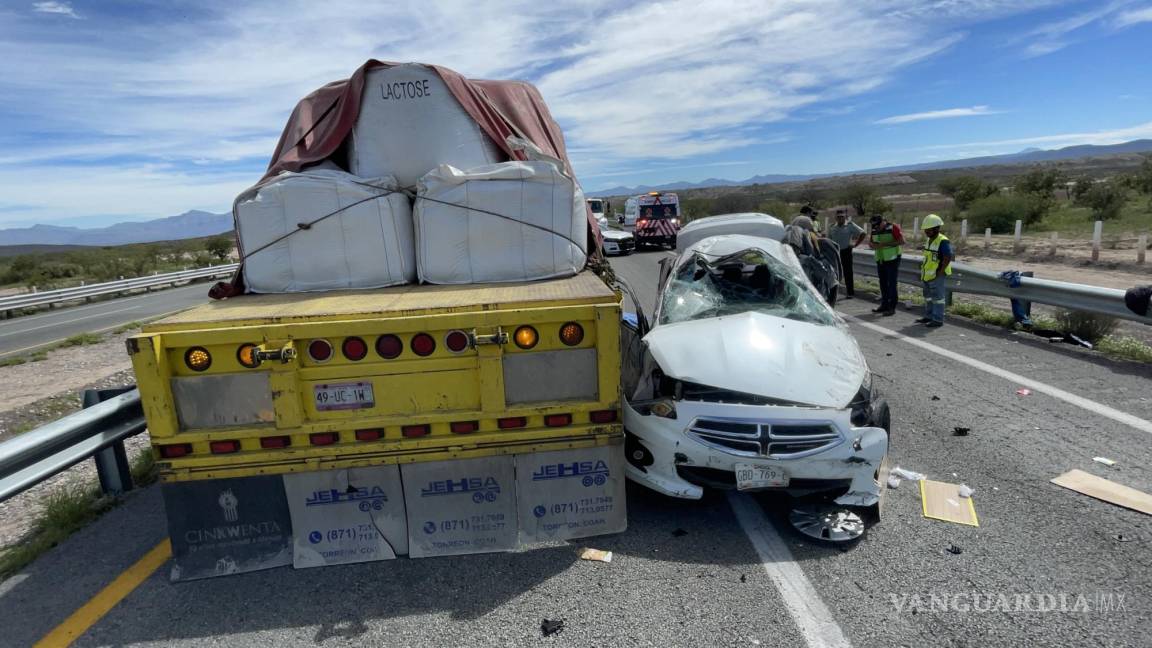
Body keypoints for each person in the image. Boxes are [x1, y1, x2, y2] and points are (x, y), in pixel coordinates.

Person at [916, 214, 953, 328]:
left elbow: (947, 256)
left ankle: (937, 319)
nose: (926, 231)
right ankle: (928, 316)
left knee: (938, 298)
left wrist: (941, 272)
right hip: (927, 274)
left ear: (937, 228)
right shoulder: (929, 240)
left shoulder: (943, 241)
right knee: (928, 296)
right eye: (925, 230)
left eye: (929, 229)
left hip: (937, 274)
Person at [869, 214, 903, 315]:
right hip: (881, 259)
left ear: (883, 222)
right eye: (874, 226)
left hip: (893, 259)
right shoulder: (874, 229)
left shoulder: (893, 227)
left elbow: (902, 241)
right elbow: (871, 243)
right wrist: (872, 245)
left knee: (892, 283)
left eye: (878, 225)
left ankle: (892, 307)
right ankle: (884, 305)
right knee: (883, 283)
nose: (876, 228)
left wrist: (884, 244)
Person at [829, 209, 866, 298]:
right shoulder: (832, 226)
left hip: (846, 251)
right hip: (835, 251)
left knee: (848, 273)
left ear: (845, 217)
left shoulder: (850, 225)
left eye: (842, 217)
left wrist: (855, 244)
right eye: (838, 217)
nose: (840, 218)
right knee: (834, 272)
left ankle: (850, 293)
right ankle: (834, 293)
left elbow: (863, 233)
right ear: (836, 218)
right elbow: (829, 238)